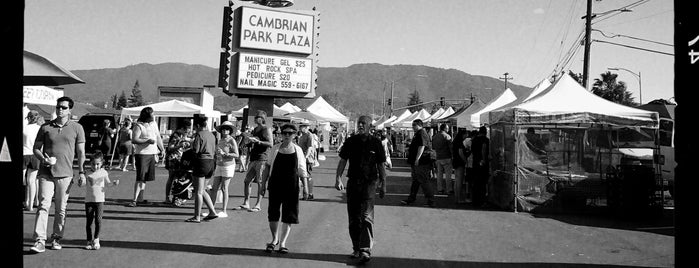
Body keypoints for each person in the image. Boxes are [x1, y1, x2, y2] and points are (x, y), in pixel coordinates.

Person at [30, 96, 87, 253]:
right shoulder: (46, 127)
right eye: (58, 107)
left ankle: (56, 237)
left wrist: (81, 172)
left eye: (63, 107)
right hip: (46, 172)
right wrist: (43, 158)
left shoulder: (77, 128)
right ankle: (40, 240)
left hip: (66, 174)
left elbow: (81, 152)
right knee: (43, 205)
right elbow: (36, 148)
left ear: (70, 110)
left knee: (61, 208)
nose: (60, 109)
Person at [334, 115, 386, 264]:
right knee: (353, 218)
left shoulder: (376, 143)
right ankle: (356, 247)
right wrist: (338, 178)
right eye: (359, 123)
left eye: (364, 123)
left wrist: (384, 184)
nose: (361, 126)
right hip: (353, 184)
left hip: (369, 184)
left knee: (366, 216)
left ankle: (365, 250)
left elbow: (381, 165)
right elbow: (343, 160)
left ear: (370, 126)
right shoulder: (350, 141)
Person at [260, 124, 307, 254]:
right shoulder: (274, 149)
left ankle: (283, 243)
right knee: (273, 213)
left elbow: (302, 171)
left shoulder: (298, 150)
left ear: (294, 135)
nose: (287, 135)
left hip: (292, 187)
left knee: (289, 215)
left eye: (290, 133)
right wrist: (262, 185)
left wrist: (306, 189)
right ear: (281, 134)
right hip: (275, 185)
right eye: (284, 133)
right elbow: (267, 167)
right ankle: (274, 239)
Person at [80, 151, 119, 250]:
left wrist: (113, 183)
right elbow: (82, 184)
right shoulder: (87, 173)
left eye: (98, 164)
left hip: (100, 201)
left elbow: (108, 183)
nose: (95, 166)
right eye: (93, 164)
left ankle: (96, 239)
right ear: (90, 163)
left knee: (98, 220)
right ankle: (89, 240)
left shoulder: (104, 172)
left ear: (101, 163)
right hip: (89, 201)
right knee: (89, 222)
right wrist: (80, 181)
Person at [127, 107, 165, 207]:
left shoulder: (154, 124)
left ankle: (140, 198)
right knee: (140, 177)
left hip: (152, 153)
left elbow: (157, 137)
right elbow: (134, 140)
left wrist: (162, 149)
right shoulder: (138, 126)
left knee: (145, 178)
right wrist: (147, 141)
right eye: (152, 114)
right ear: (147, 116)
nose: (154, 115)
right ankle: (134, 200)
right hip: (142, 154)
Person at [185, 116, 220, 223]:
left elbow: (195, 150)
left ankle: (197, 216)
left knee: (198, 191)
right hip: (211, 162)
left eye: (195, 127)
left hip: (201, 162)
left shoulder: (199, 135)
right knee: (203, 189)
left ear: (198, 126)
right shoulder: (212, 135)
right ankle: (212, 211)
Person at [237, 110, 273, 212]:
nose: (256, 119)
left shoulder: (266, 129)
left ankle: (258, 204)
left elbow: (270, 144)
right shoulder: (256, 129)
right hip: (253, 157)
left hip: (262, 158)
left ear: (263, 119)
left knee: (260, 182)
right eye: (255, 117)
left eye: (258, 117)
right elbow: (253, 142)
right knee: (247, 181)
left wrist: (259, 141)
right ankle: (246, 202)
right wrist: (248, 141)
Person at [400, 119, 435, 207]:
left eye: (414, 125)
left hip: (422, 162)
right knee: (416, 180)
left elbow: (422, 146)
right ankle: (411, 197)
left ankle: (431, 200)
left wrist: (417, 158)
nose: (412, 127)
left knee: (423, 180)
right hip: (418, 162)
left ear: (419, 125)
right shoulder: (418, 133)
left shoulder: (421, 133)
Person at [211, 121, 239, 218]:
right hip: (219, 164)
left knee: (224, 188)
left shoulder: (232, 140)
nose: (224, 130)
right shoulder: (220, 140)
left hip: (228, 165)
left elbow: (237, 155)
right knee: (214, 188)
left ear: (230, 131)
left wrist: (226, 154)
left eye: (227, 129)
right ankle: (212, 210)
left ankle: (224, 210)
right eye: (223, 129)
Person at [164, 121, 193, 204]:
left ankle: (176, 197)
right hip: (173, 158)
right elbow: (170, 148)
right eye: (186, 131)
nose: (186, 133)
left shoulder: (181, 135)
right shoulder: (175, 135)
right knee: (171, 177)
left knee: (178, 178)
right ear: (182, 128)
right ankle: (167, 197)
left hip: (179, 158)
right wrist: (180, 146)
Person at [23, 110, 42, 212]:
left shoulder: (25, 128)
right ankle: (30, 204)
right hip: (35, 155)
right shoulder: (39, 129)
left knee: (24, 180)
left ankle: (26, 201)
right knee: (32, 181)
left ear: (29, 118)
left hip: (24, 153)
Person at [471, 126, 490, 207]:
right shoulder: (485, 140)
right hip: (482, 163)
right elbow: (484, 149)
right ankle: (482, 201)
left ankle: (475, 201)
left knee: (475, 182)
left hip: (475, 162)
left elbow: (473, 151)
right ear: (485, 132)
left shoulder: (474, 139)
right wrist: (483, 159)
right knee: (482, 183)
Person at [432, 124, 453, 195]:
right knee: (448, 175)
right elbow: (451, 148)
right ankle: (449, 189)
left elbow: (433, 147)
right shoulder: (447, 136)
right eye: (447, 128)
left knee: (439, 175)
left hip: (438, 157)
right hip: (446, 157)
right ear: (444, 128)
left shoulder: (434, 137)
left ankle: (440, 189)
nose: (448, 129)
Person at [297, 123, 315, 200]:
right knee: (302, 176)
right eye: (300, 126)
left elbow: (309, 148)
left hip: (307, 159)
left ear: (306, 127)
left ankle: (310, 194)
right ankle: (305, 193)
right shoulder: (302, 135)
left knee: (307, 176)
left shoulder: (309, 135)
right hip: (301, 157)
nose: (300, 128)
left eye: (302, 126)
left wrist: (305, 157)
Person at [452, 129, 470, 204]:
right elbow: (461, 153)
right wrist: (465, 161)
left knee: (456, 180)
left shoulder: (455, 141)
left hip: (455, 161)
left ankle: (457, 197)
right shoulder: (459, 142)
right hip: (460, 162)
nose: (467, 136)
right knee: (459, 181)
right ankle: (458, 198)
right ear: (463, 134)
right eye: (466, 134)